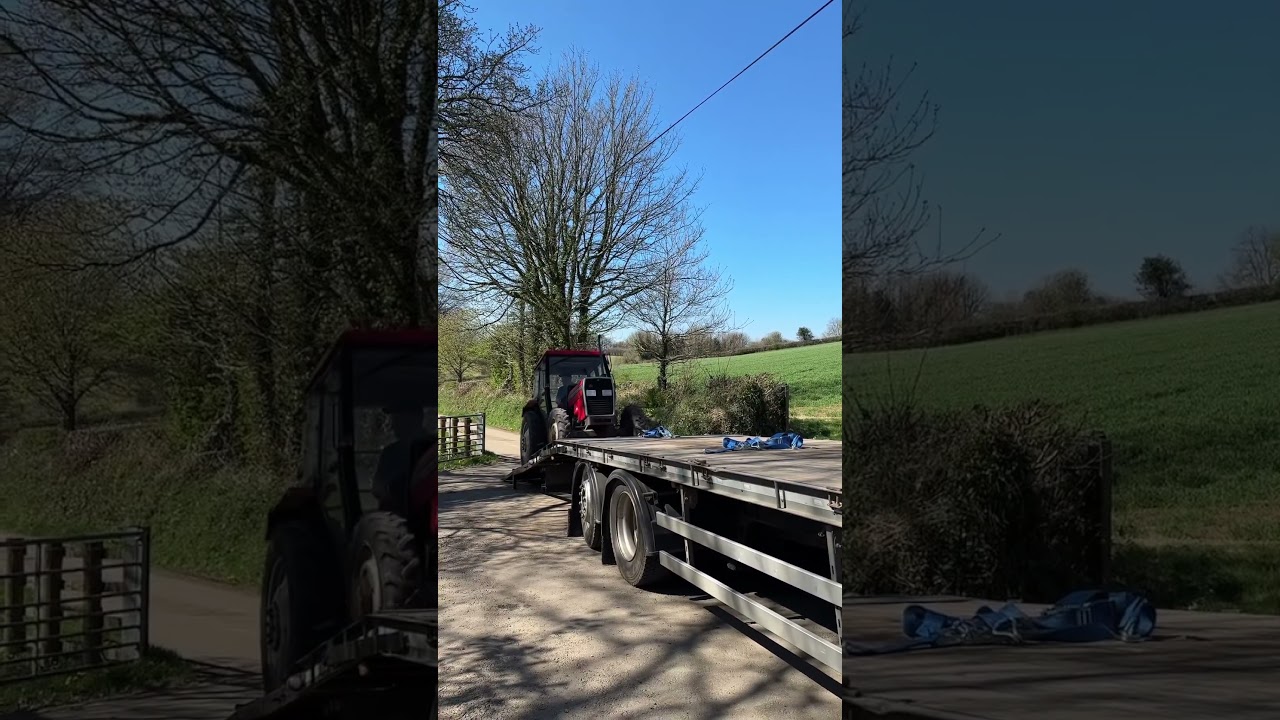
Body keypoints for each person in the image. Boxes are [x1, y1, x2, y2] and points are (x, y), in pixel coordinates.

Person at [371, 403, 428, 514]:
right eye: (394, 420)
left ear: (414, 420)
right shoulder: (390, 453)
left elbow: (377, 489)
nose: (392, 426)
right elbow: (377, 488)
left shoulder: (391, 453)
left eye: (397, 420)